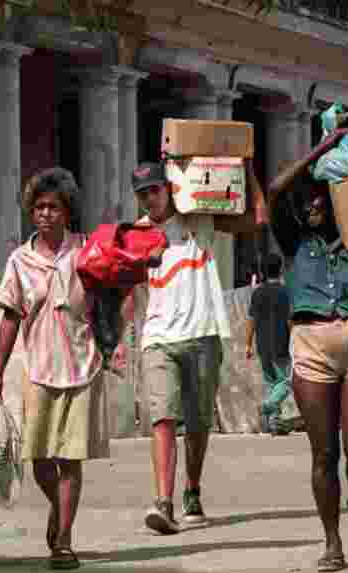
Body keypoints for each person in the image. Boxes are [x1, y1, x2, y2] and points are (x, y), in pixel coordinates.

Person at [267, 129, 348, 571]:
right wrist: (324, 147)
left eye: (319, 198)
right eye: (305, 202)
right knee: (324, 453)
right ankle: (332, 540)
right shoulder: (292, 241)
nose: (310, 205)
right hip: (312, 343)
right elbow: (276, 188)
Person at [121, 159, 264, 535]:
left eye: (154, 190)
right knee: (163, 418)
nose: (149, 199)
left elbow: (255, 220)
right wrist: (119, 338)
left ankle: (192, 489)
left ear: (168, 188)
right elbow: (128, 292)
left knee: (198, 422)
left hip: (203, 333)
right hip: (158, 338)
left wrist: (246, 166)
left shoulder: (198, 221)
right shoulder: (135, 236)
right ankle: (163, 502)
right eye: (142, 194)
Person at [0, 167, 110, 570]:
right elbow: (9, 318)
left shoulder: (87, 250)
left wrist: (116, 344)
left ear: (67, 210)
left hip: (83, 366)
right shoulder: (19, 261)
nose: (45, 214)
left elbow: (111, 299)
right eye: (38, 207)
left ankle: (65, 541)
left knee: (71, 459)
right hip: (38, 368)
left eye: (53, 207)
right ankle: (58, 505)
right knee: (39, 459)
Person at [245, 253, 293, 435]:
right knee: (286, 383)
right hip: (281, 345)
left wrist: (248, 344)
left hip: (262, 346)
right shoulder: (285, 292)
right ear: (280, 269)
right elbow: (290, 320)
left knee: (272, 384)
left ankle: (273, 423)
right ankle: (268, 406)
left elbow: (251, 320)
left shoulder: (257, 292)